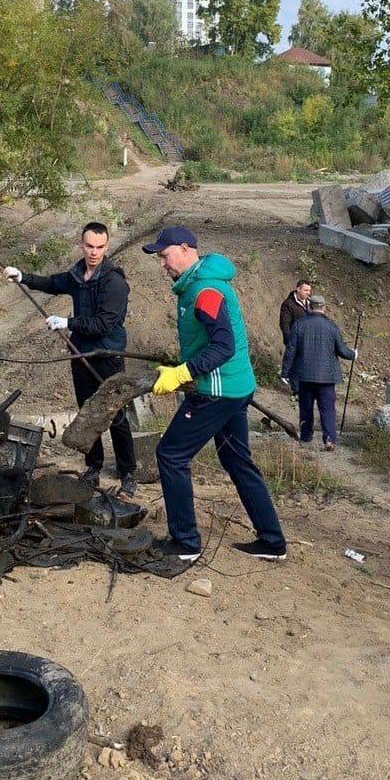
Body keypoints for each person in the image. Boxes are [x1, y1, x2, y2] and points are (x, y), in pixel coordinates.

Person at [142, 225, 286, 563]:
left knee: (171, 455)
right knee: (236, 460)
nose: (162, 264)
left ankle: (186, 544)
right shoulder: (198, 284)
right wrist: (182, 367)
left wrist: (183, 373)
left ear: (185, 249)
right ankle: (272, 541)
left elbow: (223, 345)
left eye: (164, 256)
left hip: (217, 390)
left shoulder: (205, 289)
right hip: (234, 387)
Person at [4, 222, 137, 496]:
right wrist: (23, 277)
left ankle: (128, 472)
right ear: (82, 244)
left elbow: (105, 324)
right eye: (89, 246)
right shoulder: (78, 275)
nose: (94, 252)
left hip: (107, 356)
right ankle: (94, 466)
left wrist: (67, 321)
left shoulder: (114, 282)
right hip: (80, 354)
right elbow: (53, 283)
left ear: (107, 247)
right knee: (87, 412)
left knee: (116, 414)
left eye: (100, 247)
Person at [281, 295, 356, 450]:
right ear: (324, 307)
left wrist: (285, 372)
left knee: (306, 407)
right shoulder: (331, 326)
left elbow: (290, 351)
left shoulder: (299, 325)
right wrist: (354, 354)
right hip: (327, 377)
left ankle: (306, 437)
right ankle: (329, 440)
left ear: (309, 306)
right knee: (327, 409)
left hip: (305, 375)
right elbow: (342, 351)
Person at [279, 279, 312, 345]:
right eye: (306, 290)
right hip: (296, 341)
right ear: (298, 289)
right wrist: (289, 342)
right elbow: (285, 324)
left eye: (309, 290)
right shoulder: (288, 304)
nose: (308, 293)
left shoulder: (311, 302)